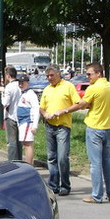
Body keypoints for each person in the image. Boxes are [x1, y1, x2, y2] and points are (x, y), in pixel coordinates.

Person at [62, 62, 110, 204]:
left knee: (95, 164)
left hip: (95, 127)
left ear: (98, 74)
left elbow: (82, 104)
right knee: (107, 162)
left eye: (89, 74)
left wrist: (65, 110)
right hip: (108, 127)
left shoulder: (94, 88)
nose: (87, 77)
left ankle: (96, 195)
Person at [40, 64, 81, 195]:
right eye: (47, 76)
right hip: (49, 125)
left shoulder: (68, 86)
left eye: (51, 75)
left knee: (62, 157)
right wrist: (44, 113)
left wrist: (64, 111)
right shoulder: (47, 89)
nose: (49, 78)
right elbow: (41, 107)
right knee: (51, 157)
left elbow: (78, 104)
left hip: (63, 126)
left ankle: (65, 185)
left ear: (58, 74)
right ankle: (53, 185)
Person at [15, 74, 40, 165]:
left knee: (27, 144)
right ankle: (28, 164)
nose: (21, 84)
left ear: (28, 83)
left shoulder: (31, 94)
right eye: (19, 83)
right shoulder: (22, 93)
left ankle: (29, 165)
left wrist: (34, 125)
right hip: (22, 122)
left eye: (23, 83)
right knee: (25, 144)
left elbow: (36, 109)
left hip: (28, 122)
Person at [0, 66, 22, 161]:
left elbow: (5, 103)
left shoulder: (9, 87)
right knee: (19, 141)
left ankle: (12, 161)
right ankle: (19, 160)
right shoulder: (20, 85)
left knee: (11, 142)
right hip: (20, 116)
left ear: (8, 75)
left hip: (10, 116)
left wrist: (1, 93)